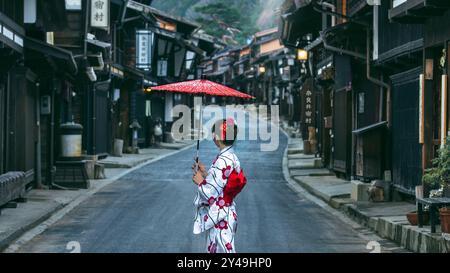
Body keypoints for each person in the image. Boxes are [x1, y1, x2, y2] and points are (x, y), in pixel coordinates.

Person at [192, 118, 246, 253]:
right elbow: (220, 182)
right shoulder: (230, 157)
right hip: (227, 211)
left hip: (221, 214)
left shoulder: (222, 160)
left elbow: (211, 192)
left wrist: (200, 182)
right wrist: (205, 173)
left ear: (218, 137)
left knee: (221, 249)